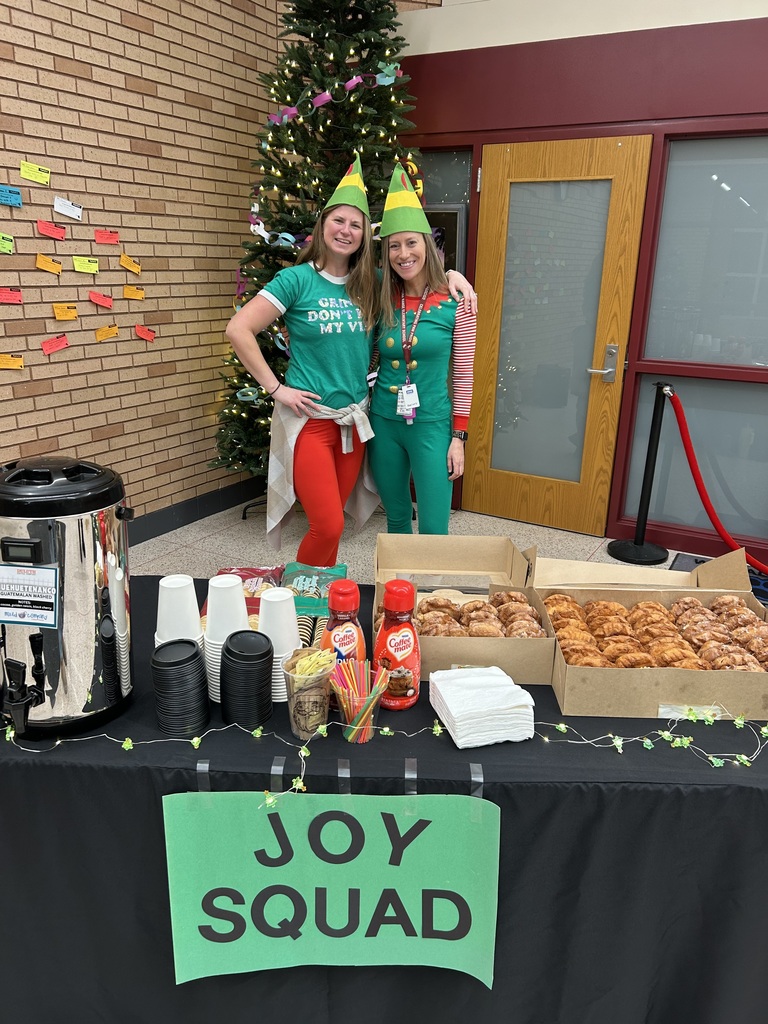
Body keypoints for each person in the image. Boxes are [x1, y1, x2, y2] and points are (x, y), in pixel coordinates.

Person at [226, 156, 476, 566]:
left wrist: (453, 276)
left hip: (357, 422)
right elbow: (239, 329)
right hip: (314, 419)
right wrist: (276, 389)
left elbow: (415, 278)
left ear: (364, 236)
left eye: (356, 224)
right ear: (322, 224)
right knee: (327, 525)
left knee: (339, 523)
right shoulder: (300, 280)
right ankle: (300, 593)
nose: (346, 230)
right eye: (338, 221)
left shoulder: (371, 283)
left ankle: (323, 594)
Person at [367, 166, 477, 535]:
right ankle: (397, 576)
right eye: (393, 245)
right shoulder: (382, 292)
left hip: (432, 425)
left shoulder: (459, 301)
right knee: (396, 517)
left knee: (434, 527)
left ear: (427, 245)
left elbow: (463, 374)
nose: (403, 254)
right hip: (384, 422)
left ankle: (431, 580)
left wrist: (458, 438)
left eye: (411, 242)